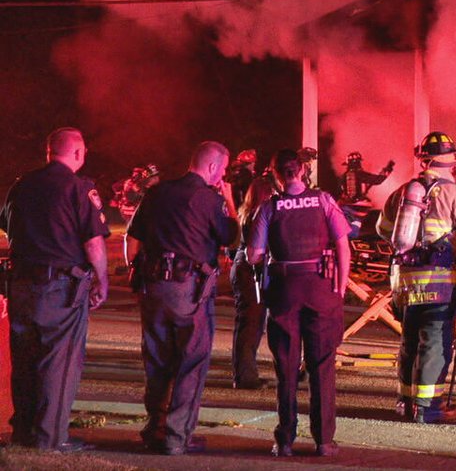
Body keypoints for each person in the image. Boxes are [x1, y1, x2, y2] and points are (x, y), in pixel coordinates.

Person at [125, 141, 238, 456]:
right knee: (191, 361)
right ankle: (176, 437)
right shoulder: (209, 199)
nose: (224, 175)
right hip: (189, 290)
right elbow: (230, 236)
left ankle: (153, 429)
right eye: (224, 170)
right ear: (213, 167)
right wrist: (228, 200)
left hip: (153, 288)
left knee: (157, 359)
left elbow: (133, 237)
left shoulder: (157, 193)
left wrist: (134, 272)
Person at [0, 128, 109, 452]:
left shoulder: (21, 185)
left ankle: (23, 431)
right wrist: (102, 281)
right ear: (77, 153)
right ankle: (51, 437)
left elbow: (8, 227)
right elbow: (93, 241)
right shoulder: (79, 188)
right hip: (59, 288)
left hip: (20, 283)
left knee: (25, 360)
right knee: (58, 364)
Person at [247, 149, 350, 457]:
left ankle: (285, 440)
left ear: (276, 174)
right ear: (303, 170)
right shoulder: (323, 201)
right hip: (321, 289)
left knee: (286, 367)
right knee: (322, 366)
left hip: (284, 290)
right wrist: (341, 287)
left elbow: (254, 254)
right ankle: (324, 441)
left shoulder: (269, 207)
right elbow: (344, 245)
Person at [387, 131, 456, 423]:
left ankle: (405, 402)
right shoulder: (454, 193)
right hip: (439, 284)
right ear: (450, 159)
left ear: (424, 159)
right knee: (434, 342)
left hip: (405, 283)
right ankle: (427, 407)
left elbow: (385, 230)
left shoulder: (403, 192)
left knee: (409, 340)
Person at [229, 175, 277, 390]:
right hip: (251, 270)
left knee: (252, 324)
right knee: (251, 324)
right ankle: (245, 377)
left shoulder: (246, 211)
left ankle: (245, 374)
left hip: (243, 267)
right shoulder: (260, 214)